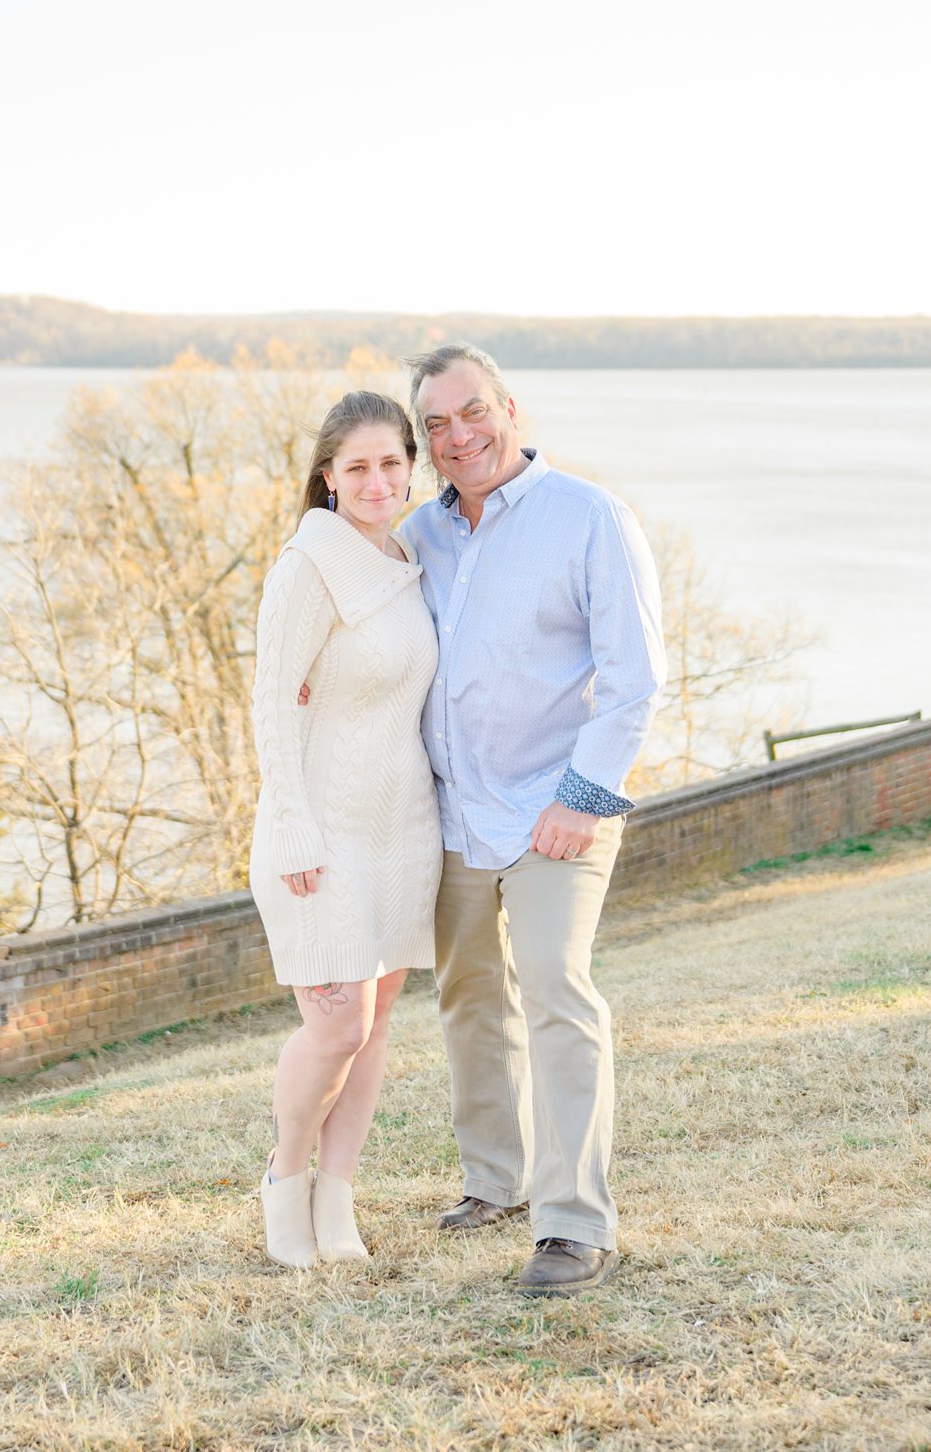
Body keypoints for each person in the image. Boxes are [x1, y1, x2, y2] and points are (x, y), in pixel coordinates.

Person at [398, 342, 664, 1297]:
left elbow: (635, 678)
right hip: (456, 813)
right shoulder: (419, 535)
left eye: (473, 412)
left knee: (556, 989)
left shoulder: (589, 517)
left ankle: (573, 1225)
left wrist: (579, 799)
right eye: (436, 424)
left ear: (511, 408)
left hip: (559, 808)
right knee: (469, 997)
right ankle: (495, 1183)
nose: (458, 434)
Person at [246, 390, 442, 1269]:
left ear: (411, 466)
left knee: (374, 1024)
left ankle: (339, 1201)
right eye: (357, 466)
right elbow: (270, 711)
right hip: (321, 834)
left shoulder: (407, 555)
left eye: (392, 463)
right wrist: (291, 830)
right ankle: (285, 1182)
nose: (376, 480)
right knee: (334, 1026)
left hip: (402, 827)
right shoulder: (307, 567)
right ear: (328, 477)